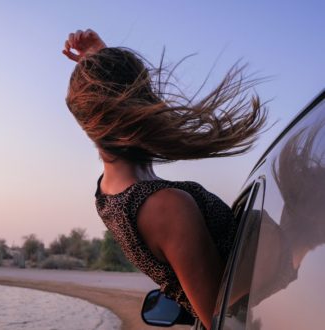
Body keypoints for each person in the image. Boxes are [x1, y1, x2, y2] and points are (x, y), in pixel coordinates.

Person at [62, 29, 268, 329]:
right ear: (139, 101)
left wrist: (98, 60)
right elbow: (222, 320)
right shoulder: (166, 207)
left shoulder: (108, 196)